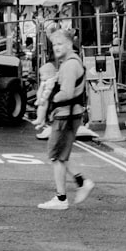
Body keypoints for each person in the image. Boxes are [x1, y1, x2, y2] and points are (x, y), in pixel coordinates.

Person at [38, 29, 95, 210]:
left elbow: (67, 93)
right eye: (54, 44)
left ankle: (61, 198)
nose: (56, 47)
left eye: (60, 44)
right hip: (68, 114)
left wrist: (51, 97)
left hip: (66, 114)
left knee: (56, 156)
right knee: (61, 155)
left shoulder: (70, 65)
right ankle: (82, 182)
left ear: (70, 44)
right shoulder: (69, 63)